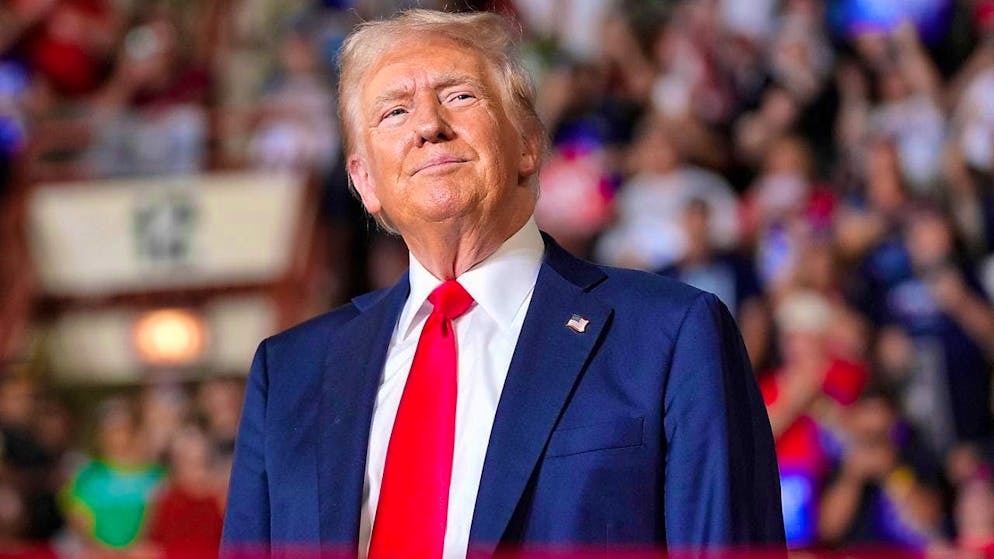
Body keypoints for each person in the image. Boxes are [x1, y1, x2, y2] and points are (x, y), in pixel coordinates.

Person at [222, 9, 785, 558]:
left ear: (527, 145)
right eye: (393, 112)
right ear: (365, 182)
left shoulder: (670, 336)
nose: (428, 126)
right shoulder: (290, 374)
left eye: (459, 96)